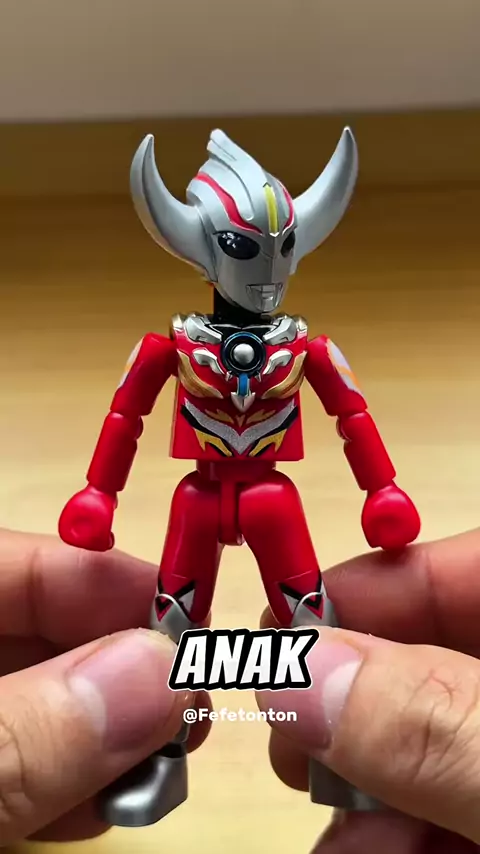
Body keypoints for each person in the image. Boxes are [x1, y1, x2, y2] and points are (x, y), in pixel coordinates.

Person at [0, 529, 479, 851]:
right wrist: (100, 490)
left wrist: (380, 487)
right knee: (172, 617)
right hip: (202, 497)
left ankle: (345, 771)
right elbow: (127, 415)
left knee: (309, 618)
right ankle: (156, 764)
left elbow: (350, 414)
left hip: (269, 496)